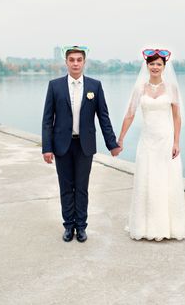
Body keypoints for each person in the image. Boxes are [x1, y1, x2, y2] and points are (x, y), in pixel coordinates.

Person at [42, 45, 121, 243]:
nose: (75, 63)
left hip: (84, 145)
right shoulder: (55, 86)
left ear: (84, 62)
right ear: (66, 62)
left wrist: (112, 143)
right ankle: (68, 226)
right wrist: (47, 147)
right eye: (72, 60)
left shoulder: (95, 86)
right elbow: (47, 119)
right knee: (66, 187)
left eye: (79, 60)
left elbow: (103, 117)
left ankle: (81, 227)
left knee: (82, 187)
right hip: (62, 146)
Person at [118, 48, 185, 241]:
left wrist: (176, 142)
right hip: (147, 141)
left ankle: (168, 227)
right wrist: (121, 138)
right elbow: (130, 114)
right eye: (152, 64)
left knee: (166, 181)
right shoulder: (139, 88)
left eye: (159, 64)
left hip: (166, 140)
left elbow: (177, 117)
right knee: (146, 180)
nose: (155, 67)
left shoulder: (172, 88)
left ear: (164, 67)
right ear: (147, 66)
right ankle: (144, 226)